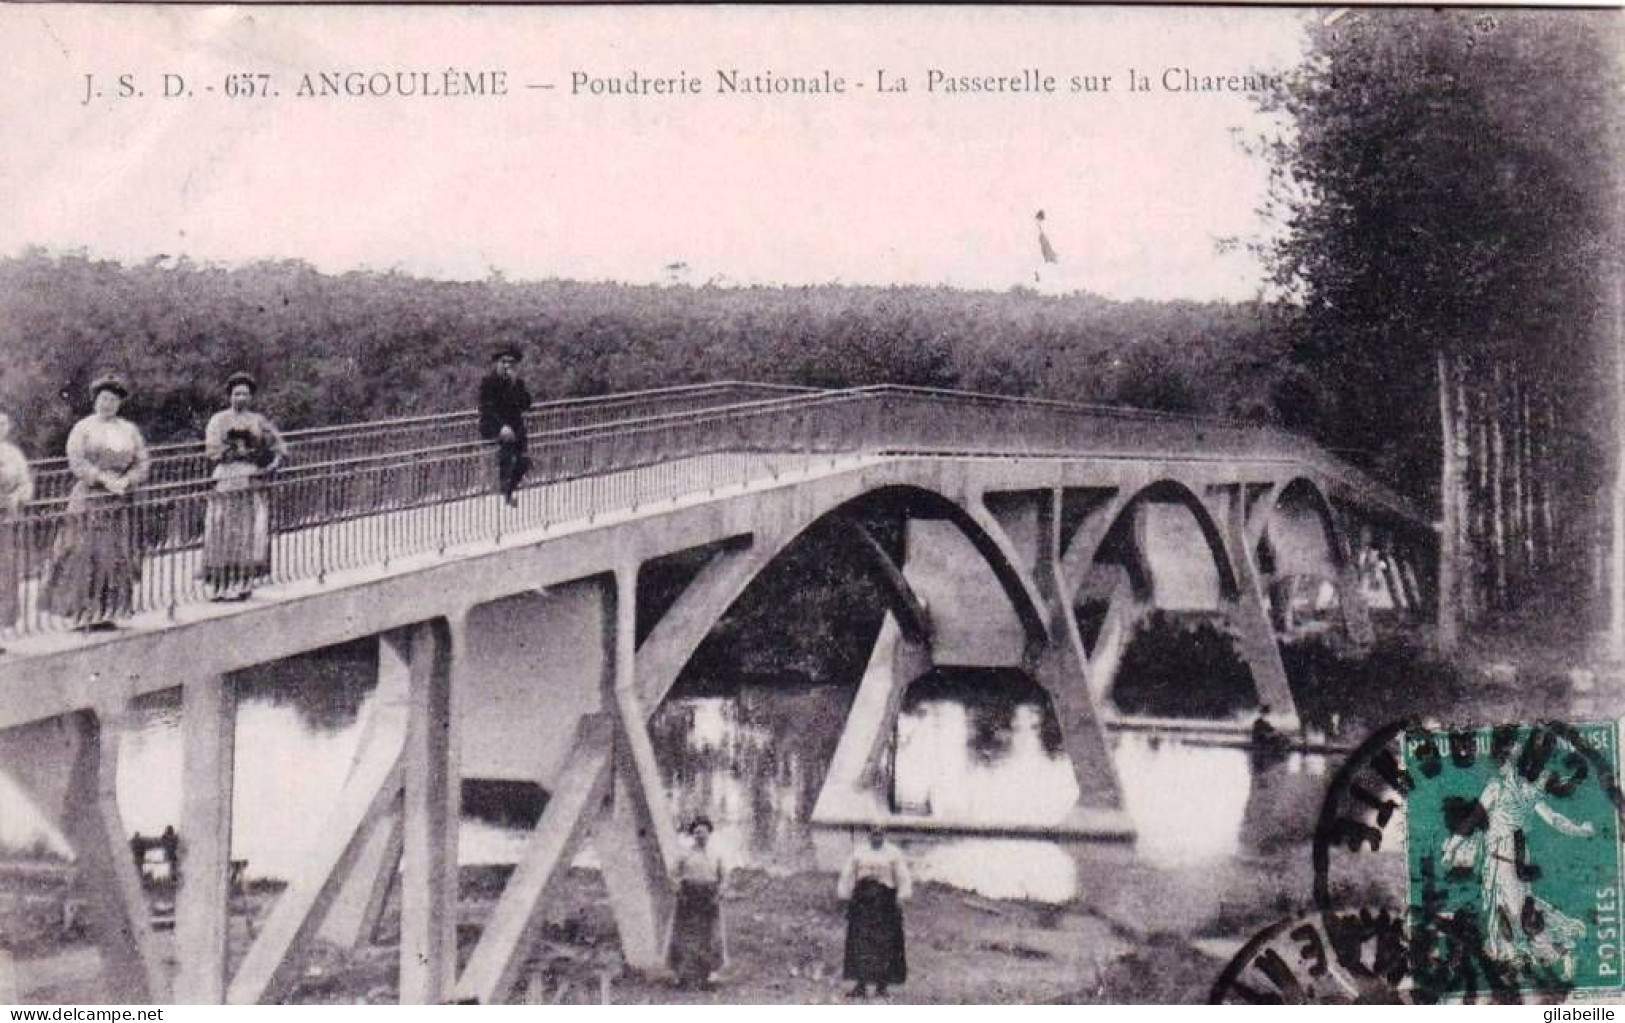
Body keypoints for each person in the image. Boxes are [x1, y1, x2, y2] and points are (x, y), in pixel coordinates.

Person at [1442, 756, 1596, 979]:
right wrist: (1452, 849)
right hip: (1495, 862)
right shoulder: (1497, 787)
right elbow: (1474, 819)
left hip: (1510, 861)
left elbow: (1554, 819)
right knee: (1503, 913)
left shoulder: (1528, 792)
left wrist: (1579, 830)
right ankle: (1530, 955)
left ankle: (1562, 952)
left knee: (1520, 916)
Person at [44, 375, 149, 629]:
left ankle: (108, 611)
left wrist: (127, 480)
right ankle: (80, 611)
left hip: (118, 499)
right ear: (96, 400)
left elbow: (142, 462)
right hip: (89, 497)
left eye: (113, 400)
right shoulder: (84, 428)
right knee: (82, 552)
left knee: (113, 554)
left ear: (119, 403)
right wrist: (101, 478)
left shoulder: (128, 430)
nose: (108, 404)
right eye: (103, 399)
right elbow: (77, 461)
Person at [201, 372, 287, 600]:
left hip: (250, 479)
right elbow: (211, 450)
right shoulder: (218, 420)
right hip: (227, 479)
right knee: (221, 529)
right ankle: (219, 584)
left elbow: (279, 446)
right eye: (237, 393)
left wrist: (270, 465)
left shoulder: (258, 421)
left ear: (251, 397)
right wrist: (231, 451)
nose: (241, 398)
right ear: (230, 395)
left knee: (248, 531)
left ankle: (243, 581)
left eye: (246, 394)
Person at [838, 824, 911, 998]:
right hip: (863, 903)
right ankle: (861, 985)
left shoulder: (894, 854)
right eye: (873, 834)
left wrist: (902, 896)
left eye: (879, 834)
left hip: (884, 903)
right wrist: (844, 894)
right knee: (861, 942)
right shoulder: (859, 853)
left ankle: (882, 986)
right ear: (869, 835)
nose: (876, 837)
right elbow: (848, 874)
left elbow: (903, 877)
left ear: (884, 835)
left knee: (884, 943)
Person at [666, 816, 728, 990]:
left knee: (710, 935)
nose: (700, 835)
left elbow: (724, 877)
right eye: (697, 831)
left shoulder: (717, 854)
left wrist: (719, 893)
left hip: (708, 896)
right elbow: (672, 874)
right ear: (692, 834)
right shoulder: (684, 854)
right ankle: (681, 975)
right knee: (684, 934)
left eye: (704, 831)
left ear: (709, 833)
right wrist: (679, 890)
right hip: (688, 896)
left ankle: (709, 976)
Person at [478, 346, 531, 506]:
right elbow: (486, 408)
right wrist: (501, 427)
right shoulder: (488, 382)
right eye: (504, 362)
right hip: (495, 427)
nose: (508, 366)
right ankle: (505, 494)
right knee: (505, 460)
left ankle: (509, 490)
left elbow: (526, 404)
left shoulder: (517, 382)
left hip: (516, 428)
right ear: (497, 363)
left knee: (523, 461)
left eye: (511, 362)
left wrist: (515, 385)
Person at [0, 412, 35, 640]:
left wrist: (18, 497)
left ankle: (3, 626)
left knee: (6, 573)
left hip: (7, 520)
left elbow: (26, 483)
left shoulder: (12, 454)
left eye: (2, 424)